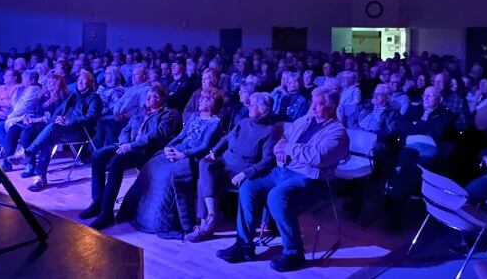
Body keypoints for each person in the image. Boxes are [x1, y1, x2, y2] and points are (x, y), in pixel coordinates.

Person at [216, 87, 349, 272]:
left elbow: (319, 157)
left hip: (311, 178)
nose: (314, 106)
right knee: (249, 186)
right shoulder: (306, 120)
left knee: (277, 196)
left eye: (320, 104)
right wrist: (280, 142)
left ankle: (294, 253)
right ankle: (244, 245)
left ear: (332, 107)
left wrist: (288, 148)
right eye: (313, 101)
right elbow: (286, 133)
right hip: (283, 170)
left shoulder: (338, 132)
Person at [118, 88, 224, 239]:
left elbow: (205, 146)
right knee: (151, 166)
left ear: (211, 102)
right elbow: (181, 135)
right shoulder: (194, 116)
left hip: (192, 156)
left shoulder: (215, 122)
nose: (199, 101)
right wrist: (168, 147)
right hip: (177, 150)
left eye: (203, 99)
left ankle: (162, 222)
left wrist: (183, 154)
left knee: (167, 176)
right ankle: (132, 211)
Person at [79, 85, 180, 229]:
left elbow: (156, 136)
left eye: (154, 96)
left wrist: (132, 146)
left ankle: (107, 212)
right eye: (149, 96)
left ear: (162, 99)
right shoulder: (140, 111)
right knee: (98, 156)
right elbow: (126, 129)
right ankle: (97, 202)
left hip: (145, 150)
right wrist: (125, 143)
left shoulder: (168, 114)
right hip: (126, 145)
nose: (149, 99)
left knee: (116, 162)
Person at [187, 92, 279, 242]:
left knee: (201, 182)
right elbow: (226, 138)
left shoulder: (269, 132)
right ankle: (212, 214)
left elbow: (268, 161)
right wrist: (213, 152)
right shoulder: (243, 122)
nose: (249, 106)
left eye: (253, 104)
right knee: (204, 162)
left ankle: (205, 226)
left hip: (241, 170)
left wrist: (246, 173)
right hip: (225, 163)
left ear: (263, 110)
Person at [19, 71, 102, 191]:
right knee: (48, 139)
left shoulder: (94, 98)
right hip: (64, 129)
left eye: (84, 80)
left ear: (90, 83)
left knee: (52, 129)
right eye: (79, 80)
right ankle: (40, 177)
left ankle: (28, 153)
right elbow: (58, 111)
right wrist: (57, 119)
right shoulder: (73, 96)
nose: (80, 82)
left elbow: (92, 116)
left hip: (80, 131)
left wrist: (69, 120)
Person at [94, 65, 149, 149]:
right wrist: (116, 112)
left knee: (107, 123)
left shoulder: (146, 89)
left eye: (136, 75)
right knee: (101, 120)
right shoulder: (132, 88)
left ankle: (108, 151)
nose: (133, 77)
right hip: (119, 115)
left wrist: (125, 115)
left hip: (131, 118)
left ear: (144, 76)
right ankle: (97, 150)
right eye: (132, 75)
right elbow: (119, 103)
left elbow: (142, 109)